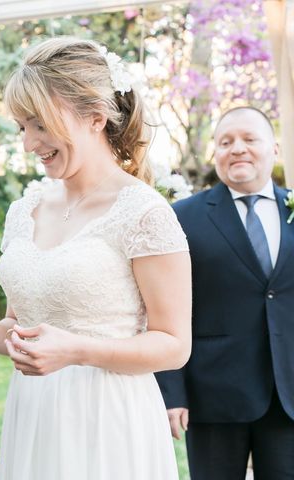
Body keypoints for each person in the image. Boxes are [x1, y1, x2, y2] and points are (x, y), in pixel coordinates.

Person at [0, 37, 192, 479]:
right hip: (33, 414)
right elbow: (20, 328)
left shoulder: (145, 212)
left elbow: (174, 344)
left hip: (107, 418)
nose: (28, 144)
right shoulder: (25, 210)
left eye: (39, 124)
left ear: (96, 117)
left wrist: (77, 350)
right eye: (22, 127)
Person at [155, 106, 294, 479]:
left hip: (289, 397)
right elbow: (162, 307)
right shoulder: (182, 217)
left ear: (274, 148)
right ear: (215, 153)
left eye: (250, 139)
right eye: (225, 142)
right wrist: (172, 393)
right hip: (213, 396)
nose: (237, 149)